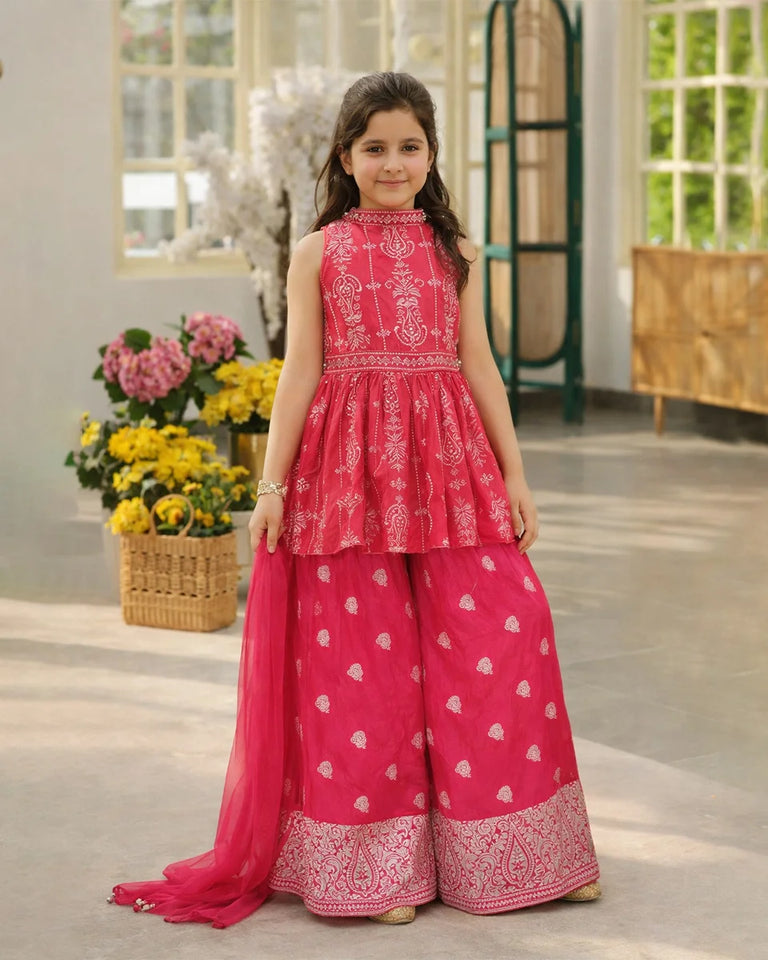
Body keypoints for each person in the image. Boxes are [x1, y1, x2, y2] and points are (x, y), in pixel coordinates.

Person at [109, 71, 600, 929]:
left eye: (410, 146)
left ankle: (527, 853)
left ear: (431, 154)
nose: (393, 162)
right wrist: (270, 488)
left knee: (502, 629)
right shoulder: (319, 252)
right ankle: (373, 872)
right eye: (375, 147)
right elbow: (300, 373)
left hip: (450, 464)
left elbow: (480, 365)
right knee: (361, 668)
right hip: (345, 471)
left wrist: (516, 475)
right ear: (346, 156)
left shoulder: (457, 253)